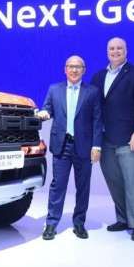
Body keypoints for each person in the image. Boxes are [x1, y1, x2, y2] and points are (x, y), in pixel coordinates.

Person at [90, 37, 134, 241]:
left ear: (126, 51)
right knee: (114, 182)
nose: (115, 51)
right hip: (106, 140)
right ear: (106, 51)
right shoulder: (98, 76)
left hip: (131, 139)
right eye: (111, 48)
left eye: (119, 48)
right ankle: (124, 219)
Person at [37, 55, 102, 240]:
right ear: (65, 69)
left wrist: (97, 146)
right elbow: (47, 109)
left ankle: (79, 223)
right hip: (61, 145)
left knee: (83, 187)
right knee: (58, 185)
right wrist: (44, 113)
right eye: (71, 66)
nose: (74, 70)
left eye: (78, 67)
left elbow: (97, 120)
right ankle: (51, 224)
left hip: (84, 146)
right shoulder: (54, 89)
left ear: (84, 70)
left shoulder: (92, 92)